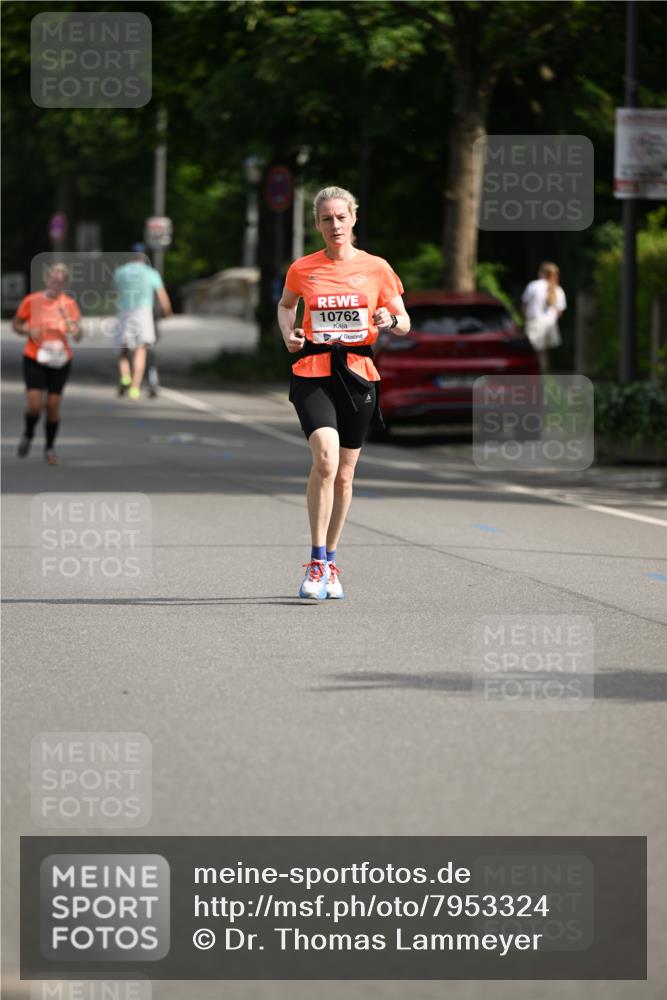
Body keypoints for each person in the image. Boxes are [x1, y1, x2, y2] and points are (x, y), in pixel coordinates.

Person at [277, 186, 410, 600]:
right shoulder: (303, 268)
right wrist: (289, 336)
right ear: (316, 224)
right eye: (326, 219)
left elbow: (404, 321)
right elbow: (286, 306)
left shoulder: (377, 268)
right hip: (312, 371)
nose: (334, 225)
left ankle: (331, 560)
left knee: (346, 474)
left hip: (357, 374)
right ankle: (316, 562)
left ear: (353, 219)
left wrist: (389, 318)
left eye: (341, 217)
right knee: (326, 459)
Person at [13, 262, 81, 465]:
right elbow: (16, 324)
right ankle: (29, 432)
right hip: (35, 357)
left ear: (65, 284)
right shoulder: (32, 301)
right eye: (53, 279)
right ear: (46, 279)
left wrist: (71, 325)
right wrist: (26, 331)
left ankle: (50, 447)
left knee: (52, 406)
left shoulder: (69, 304)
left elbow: (78, 336)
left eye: (61, 281)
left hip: (60, 360)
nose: (56, 283)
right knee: (34, 406)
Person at [113, 243, 172, 399]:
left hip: (125, 312)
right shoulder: (151, 273)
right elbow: (162, 295)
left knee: (123, 350)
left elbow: (116, 293)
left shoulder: (121, 272)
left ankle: (125, 376)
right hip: (143, 313)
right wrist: (168, 312)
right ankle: (135, 388)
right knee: (141, 350)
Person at [521, 262, 566, 373]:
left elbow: (524, 305)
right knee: (544, 354)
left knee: (533, 354)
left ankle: (534, 375)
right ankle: (544, 375)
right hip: (550, 324)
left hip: (534, 323)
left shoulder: (533, 285)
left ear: (541, 273)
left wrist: (525, 319)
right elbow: (560, 312)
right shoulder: (558, 289)